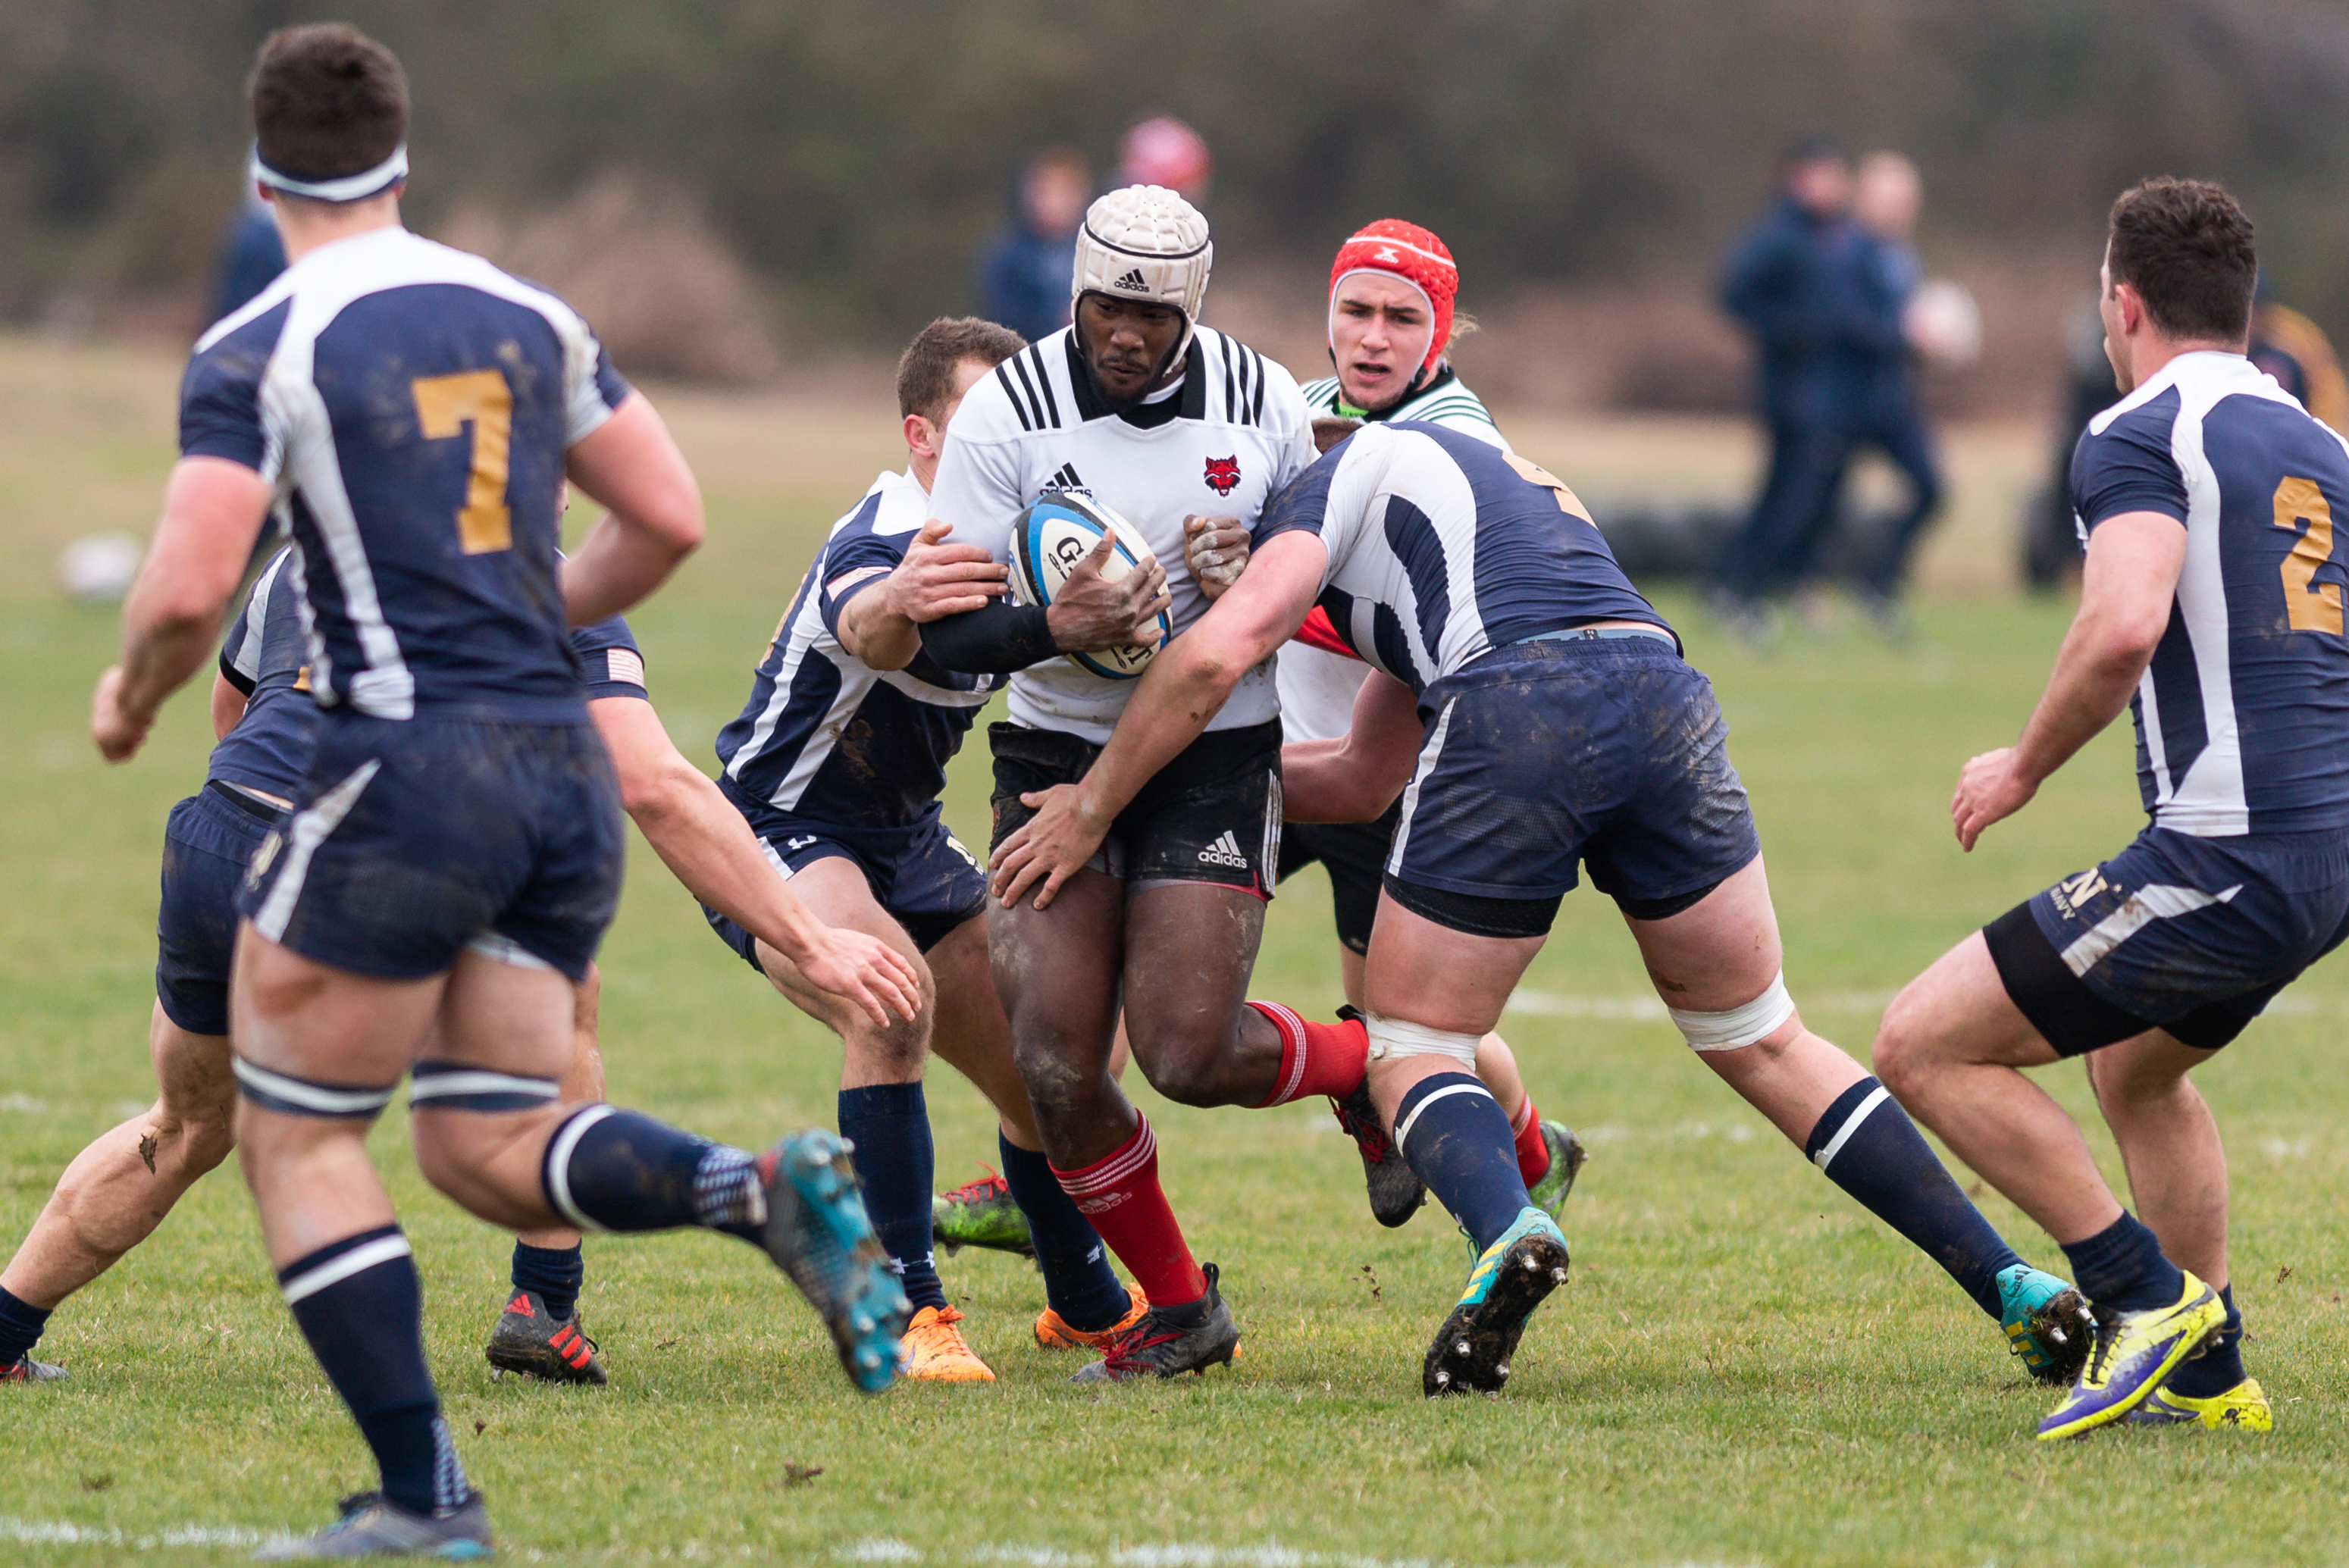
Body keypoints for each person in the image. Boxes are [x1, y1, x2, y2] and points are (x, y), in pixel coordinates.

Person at [83, 27, 919, 1555]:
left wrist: (131, 692)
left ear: (261, 171)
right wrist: (543, 617)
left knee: (297, 1130)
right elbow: (666, 515)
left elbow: (196, 576)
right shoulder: (531, 314)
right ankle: (747, 1186)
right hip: (556, 785)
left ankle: (421, 1499)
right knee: (479, 1140)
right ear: (403, 161)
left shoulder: (259, 340)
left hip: (404, 765)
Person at [990, 421, 2094, 1397]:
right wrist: (1167, 813)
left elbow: (1215, 655)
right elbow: (1361, 779)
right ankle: (2005, 1278)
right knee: (1759, 1033)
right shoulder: (1467, 501)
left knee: (1412, 1039)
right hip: (1663, 696)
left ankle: (1508, 1227)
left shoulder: (1326, 480)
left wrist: (1094, 805)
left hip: (1521, 699)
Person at [1872, 177, 2349, 1440]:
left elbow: (2122, 619)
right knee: (2134, 1069)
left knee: (1919, 1042)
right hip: (2320, 856)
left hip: (2224, 856)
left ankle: (2144, 1298)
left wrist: (2022, 764)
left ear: (2119, 303)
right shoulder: (2317, 440)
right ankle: (2205, 1378)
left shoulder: (2133, 428)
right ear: (2245, 310)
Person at [919, 184, 1326, 1382]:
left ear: (1190, 308)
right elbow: (942, 638)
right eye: (1106, 305)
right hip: (1050, 753)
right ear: (1076, 291)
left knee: (1189, 1054)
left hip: (1213, 748)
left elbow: (1317, 592)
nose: (1126, 333)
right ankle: (1182, 1307)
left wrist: (1254, 571)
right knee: (1051, 1069)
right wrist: (1055, 621)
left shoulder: (1262, 403)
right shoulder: (1007, 410)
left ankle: (1369, 1073)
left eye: (1151, 315)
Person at [706, 317, 1163, 1380]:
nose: (999, 443)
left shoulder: (1030, 535)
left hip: (902, 839)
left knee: (1063, 1066)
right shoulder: (892, 527)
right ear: (918, 434)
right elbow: (870, 622)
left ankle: (1083, 1300)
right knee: (888, 996)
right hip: (779, 824)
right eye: (972, 424)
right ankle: (905, 1308)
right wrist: (896, 606)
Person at [1285, 219, 1578, 1225]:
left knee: (1409, 1031)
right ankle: (1051, 1180)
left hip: (1384, 779)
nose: (1371, 337)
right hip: (1278, 763)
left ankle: (1532, 1147)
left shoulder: (1457, 444)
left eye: (1400, 318)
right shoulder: (1296, 415)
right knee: (1130, 960)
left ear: (1438, 336)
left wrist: (1261, 589)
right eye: (1354, 312)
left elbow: (1404, 621)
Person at [1711, 137, 1872, 639]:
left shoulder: (1830, 234)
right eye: (1824, 173)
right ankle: (1739, 590)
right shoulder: (1779, 235)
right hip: (1789, 392)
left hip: (1820, 391)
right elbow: (1732, 292)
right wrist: (1787, 331)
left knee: (1798, 493)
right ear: (1797, 178)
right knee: (1787, 496)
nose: (1836, 184)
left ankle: (1747, 587)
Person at [1842, 152, 1944, 631]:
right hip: (1845, 402)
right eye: (1890, 198)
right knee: (1810, 502)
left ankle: (1878, 583)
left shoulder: (1903, 255)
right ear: (1865, 198)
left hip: (1893, 402)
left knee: (1931, 488)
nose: (1900, 209)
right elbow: (1846, 323)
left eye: (1907, 200)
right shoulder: (1845, 251)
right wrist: (1903, 335)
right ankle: (1759, 591)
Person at [976, 149, 1091, 345]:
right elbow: (1000, 317)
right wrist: (1058, 325)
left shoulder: (1092, 249)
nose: (1052, 203)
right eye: (1045, 193)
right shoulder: (1007, 254)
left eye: (1063, 193)